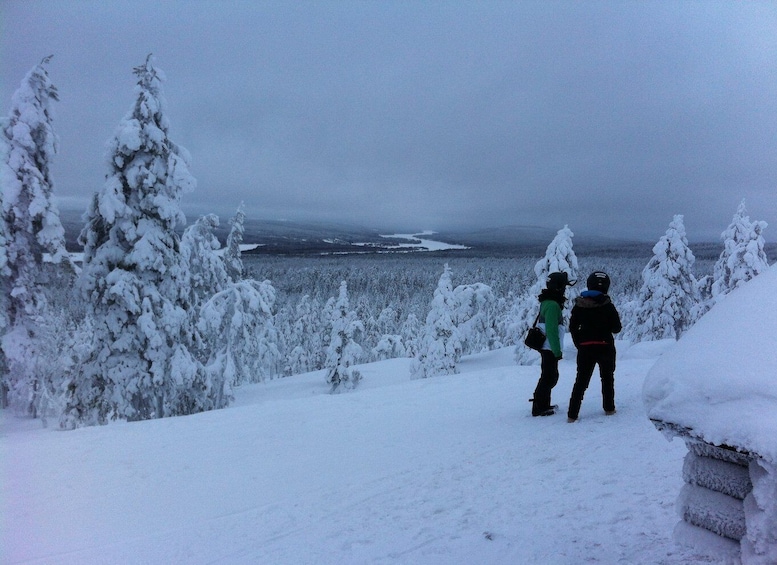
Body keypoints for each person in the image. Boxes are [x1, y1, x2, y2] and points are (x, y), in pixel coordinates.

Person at [567, 271, 622, 422]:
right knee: (607, 378)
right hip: (605, 346)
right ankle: (609, 409)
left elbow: (572, 327)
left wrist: (580, 343)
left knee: (581, 382)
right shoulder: (608, 305)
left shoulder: (579, 305)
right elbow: (617, 328)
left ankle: (572, 415)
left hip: (585, 348)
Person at [531, 271, 575, 417]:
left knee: (549, 375)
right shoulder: (552, 305)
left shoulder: (549, 301)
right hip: (549, 347)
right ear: (559, 287)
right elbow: (551, 329)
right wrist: (556, 350)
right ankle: (539, 406)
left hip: (547, 347)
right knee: (549, 376)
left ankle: (542, 404)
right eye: (564, 287)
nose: (565, 290)